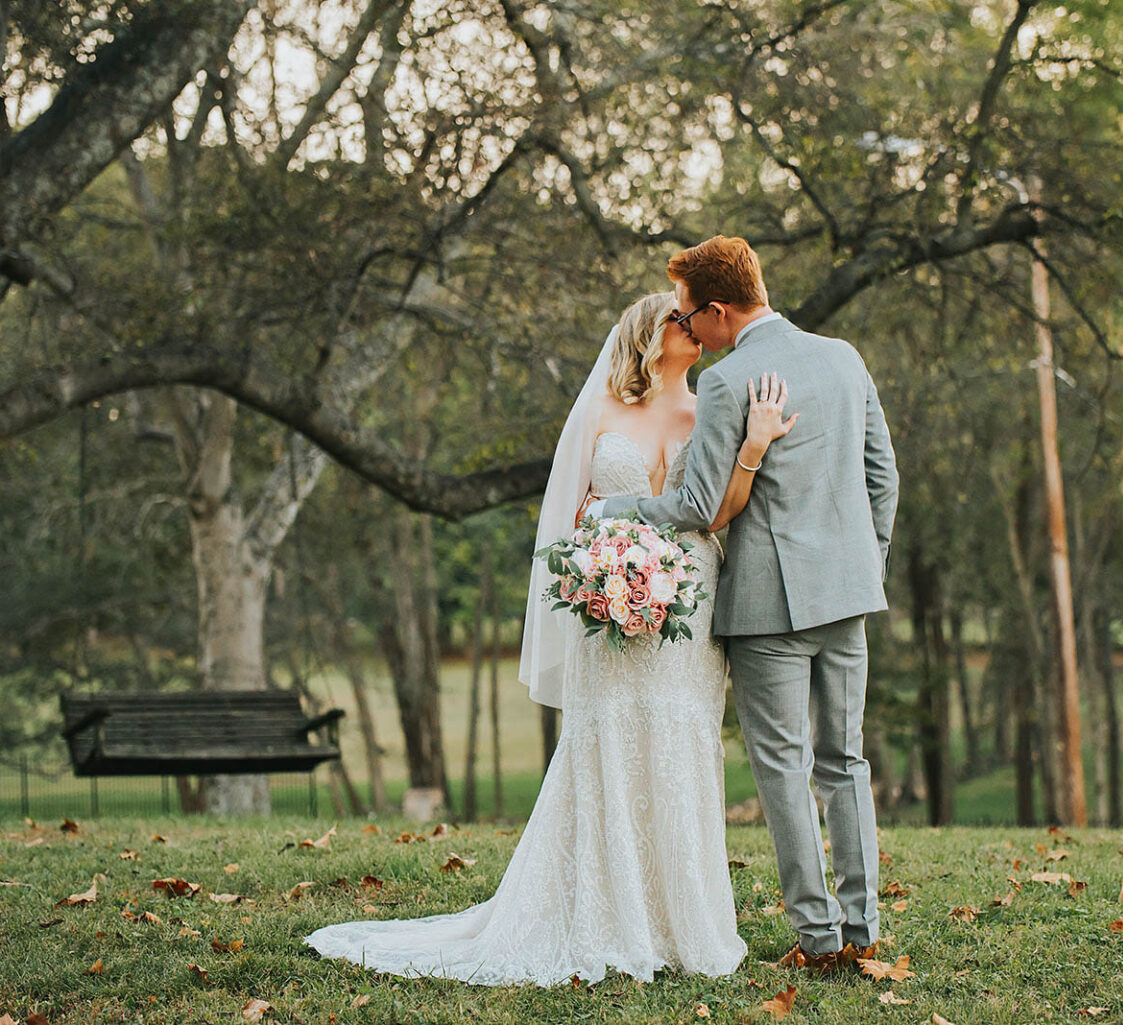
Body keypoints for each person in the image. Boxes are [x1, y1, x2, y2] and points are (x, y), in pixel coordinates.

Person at [303, 290, 797, 986]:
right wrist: (601, 576)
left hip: (691, 610)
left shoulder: (710, 405)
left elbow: (715, 512)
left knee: (681, 745)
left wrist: (751, 447)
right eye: (680, 321)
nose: (695, 329)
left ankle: (683, 922)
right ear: (649, 334)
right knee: (611, 744)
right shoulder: (599, 411)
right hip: (612, 604)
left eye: (696, 319)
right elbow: (570, 521)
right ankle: (604, 915)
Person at [589, 235, 900, 970]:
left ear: (720, 310)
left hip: (769, 610)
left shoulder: (729, 383)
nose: (690, 330)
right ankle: (864, 927)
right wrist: (863, 564)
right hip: (849, 598)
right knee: (846, 760)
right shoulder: (844, 357)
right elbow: (882, 478)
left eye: (693, 317)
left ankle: (819, 941)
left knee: (785, 769)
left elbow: (695, 503)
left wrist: (615, 509)